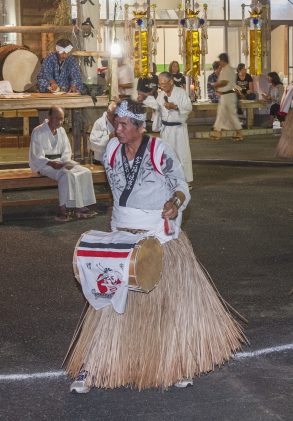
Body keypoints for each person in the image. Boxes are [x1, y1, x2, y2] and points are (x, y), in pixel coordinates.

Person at [64, 99, 244, 393]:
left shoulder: (160, 150)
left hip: (157, 235)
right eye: (116, 124)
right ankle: (95, 365)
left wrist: (175, 202)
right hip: (123, 235)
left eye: (124, 125)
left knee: (166, 305)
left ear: (140, 127)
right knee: (108, 298)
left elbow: (181, 185)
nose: (118, 130)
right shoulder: (111, 149)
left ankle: (176, 364)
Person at [29, 106, 97, 222]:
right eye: (57, 118)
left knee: (85, 171)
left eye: (62, 119)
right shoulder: (38, 131)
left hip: (60, 163)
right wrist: (51, 163)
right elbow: (36, 155)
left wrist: (66, 162)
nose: (60, 122)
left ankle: (80, 206)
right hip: (45, 164)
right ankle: (62, 208)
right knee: (65, 175)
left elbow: (66, 150)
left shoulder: (61, 130)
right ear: (49, 117)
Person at [153, 72, 194, 185]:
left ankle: (186, 181)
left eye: (163, 84)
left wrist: (175, 107)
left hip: (178, 129)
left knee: (181, 154)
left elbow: (188, 107)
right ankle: (168, 180)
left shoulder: (181, 92)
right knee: (166, 155)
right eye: (160, 85)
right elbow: (157, 112)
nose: (162, 87)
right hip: (165, 129)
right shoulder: (161, 95)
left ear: (171, 82)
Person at [209, 53, 243, 141]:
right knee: (221, 114)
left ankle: (239, 133)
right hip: (226, 95)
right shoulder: (229, 69)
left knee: (231, 114)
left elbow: (225, 82)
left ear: (222, 60)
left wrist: (216, 84)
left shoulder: (227, 69)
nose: (219, 62)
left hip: (228, 95)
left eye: (220, 60)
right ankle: (218, 132)